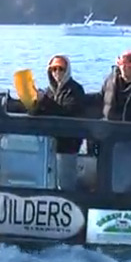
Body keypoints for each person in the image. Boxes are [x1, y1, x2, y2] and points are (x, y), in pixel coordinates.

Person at [31, 55, 86, 189]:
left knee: (65, 183)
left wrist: (44, 101)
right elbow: (41, 112)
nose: (57, 73)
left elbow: (67, 112)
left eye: (60, 69)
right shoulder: (49, 91)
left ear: (67, 70)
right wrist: (34, 102)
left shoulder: (75, 90)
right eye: (53, 69)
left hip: (67, 145)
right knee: (50, 182)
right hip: (48, 144)